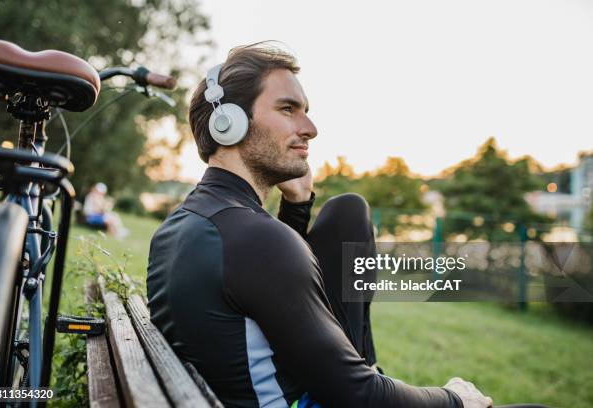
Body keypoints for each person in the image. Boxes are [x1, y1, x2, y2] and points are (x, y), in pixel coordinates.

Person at [146, 43, 505, 408]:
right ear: (229, 123)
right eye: (288, 109)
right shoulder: (254, 239)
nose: (310, 129)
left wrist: (297, 206)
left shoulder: (181, 226)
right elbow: (359, 395)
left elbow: (268, 290)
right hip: (323, 398)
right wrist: (455, 400)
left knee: (347, 212)